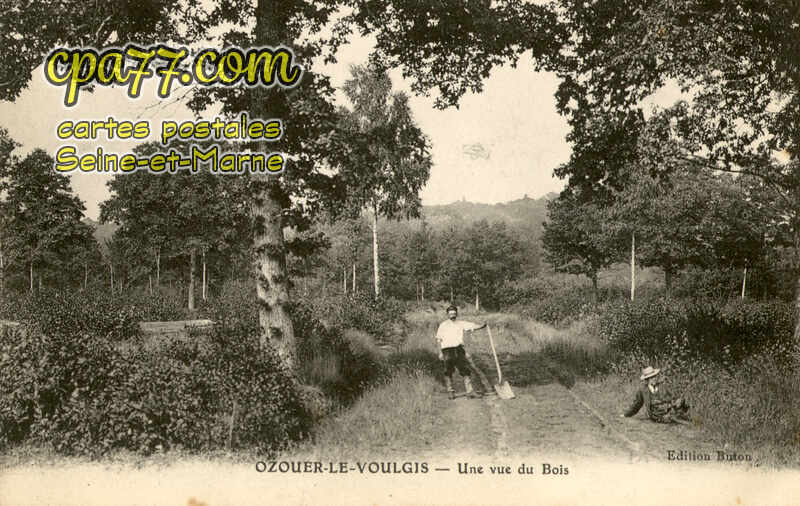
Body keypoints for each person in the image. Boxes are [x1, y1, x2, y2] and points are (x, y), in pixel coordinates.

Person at [435, 305, 486, 399]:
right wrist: (440, 353)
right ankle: (450, 392)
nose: (452, 315)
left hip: (458, 349)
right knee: (448, 371)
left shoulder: (461, 323)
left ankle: (470, 391)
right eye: (450, 313)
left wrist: (483, 325)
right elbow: (438, 340)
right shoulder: (443, 325)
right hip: (446, 350)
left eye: (454, 313)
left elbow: (473, 326)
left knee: (465, 369)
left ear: (456, 314)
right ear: (447, 314)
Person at [621, 366, 691, 424]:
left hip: (668, 409)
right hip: (657, 415)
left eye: (655, 376)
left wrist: (677, 402)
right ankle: (685, 422)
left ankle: (684, 416)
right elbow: (637, 405)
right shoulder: (643, 390)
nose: (654, 379)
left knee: (681, 401)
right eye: (651, 378)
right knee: (673, 418)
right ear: (647, 380)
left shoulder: (662, 386)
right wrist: (626, 414)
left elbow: (672, 398)